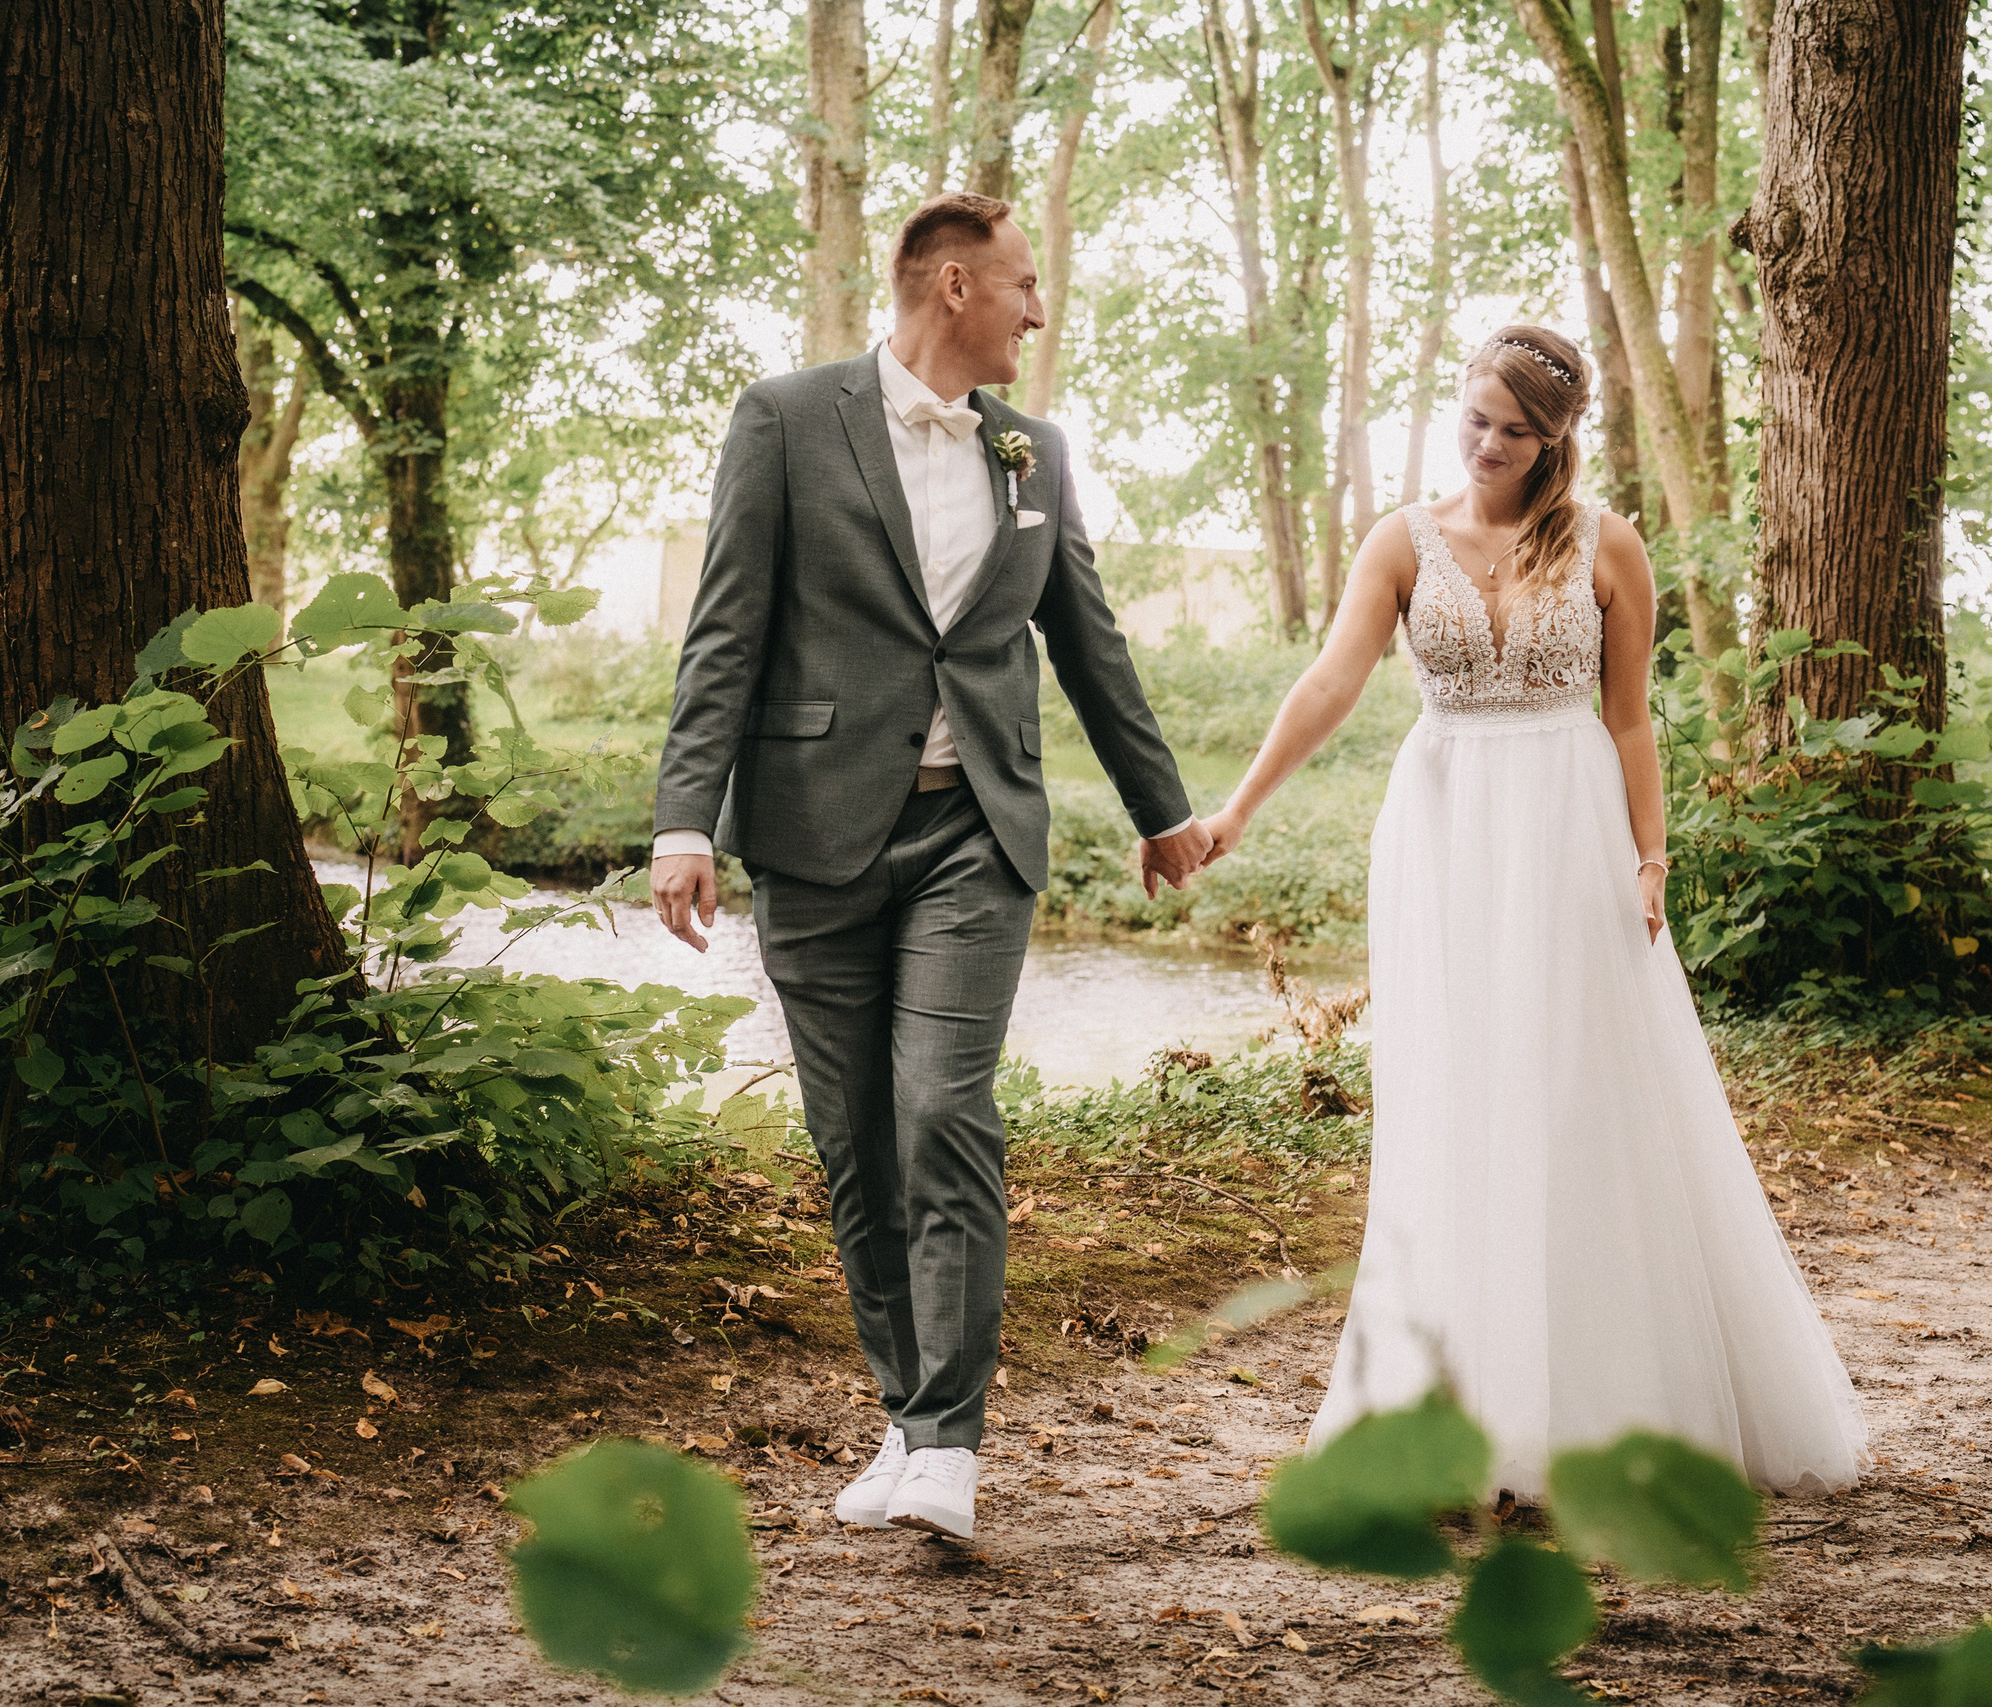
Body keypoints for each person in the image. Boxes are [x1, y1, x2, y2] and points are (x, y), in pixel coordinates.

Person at [1201, 326, 1869, 1498]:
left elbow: (1628, 719)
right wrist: (1238, 809)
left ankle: (1612, 1399)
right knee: (1458, 1095)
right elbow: (1331, 680)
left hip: (1569, 827)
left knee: (1577, 1087)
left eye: (1517, 431)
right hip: (1446, 829)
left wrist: (1650, 855)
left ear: (1555, 439)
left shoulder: (1608, 544)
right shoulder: (1400, 542)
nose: (1490, 444)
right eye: (1476, 420)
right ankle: (1451, 1403)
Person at [649, 192, 1214, 1541]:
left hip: (977, 832)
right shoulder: (785, 419)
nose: (1038, 311)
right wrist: (684, 820)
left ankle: (951, 1443)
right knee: (855, 1142)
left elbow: (1089, 640)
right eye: (1023, 285)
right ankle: (906, 1417)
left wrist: (1162, 810)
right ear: (953, 286)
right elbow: (726, 628)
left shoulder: (1034, 450)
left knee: (940, 1110)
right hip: (814, 831)